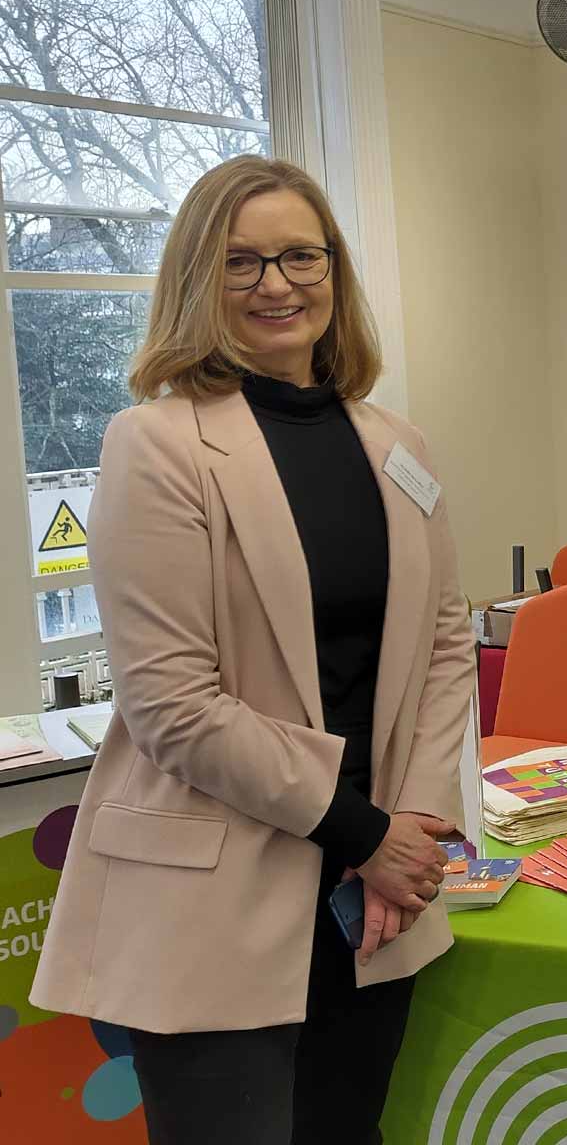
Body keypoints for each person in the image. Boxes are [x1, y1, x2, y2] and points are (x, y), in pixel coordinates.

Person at [30, 156, 474, 1144]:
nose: (277, 283)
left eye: (299, 255)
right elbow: (171, 704)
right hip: (220, 901)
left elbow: (447, 641)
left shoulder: (398, 443)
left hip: (375, 902)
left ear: (334, 272)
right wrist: (367, 830)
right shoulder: (155, 443)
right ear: (201, 282)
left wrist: (416, 819)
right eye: (242, 262)